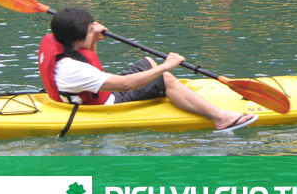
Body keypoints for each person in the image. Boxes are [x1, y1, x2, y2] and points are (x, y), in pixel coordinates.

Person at [38, 7, 258, 133]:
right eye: (90, 29)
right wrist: (166, 66)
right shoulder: (72, 69)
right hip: (106, 104)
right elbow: (126, 85)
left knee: (147, 62)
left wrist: (93, 39)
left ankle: (175, 91)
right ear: (77, 38)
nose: (94, 29)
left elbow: (89, 60)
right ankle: (220, 118)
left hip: (89, 92)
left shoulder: (62, 42)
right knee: (164, 77)